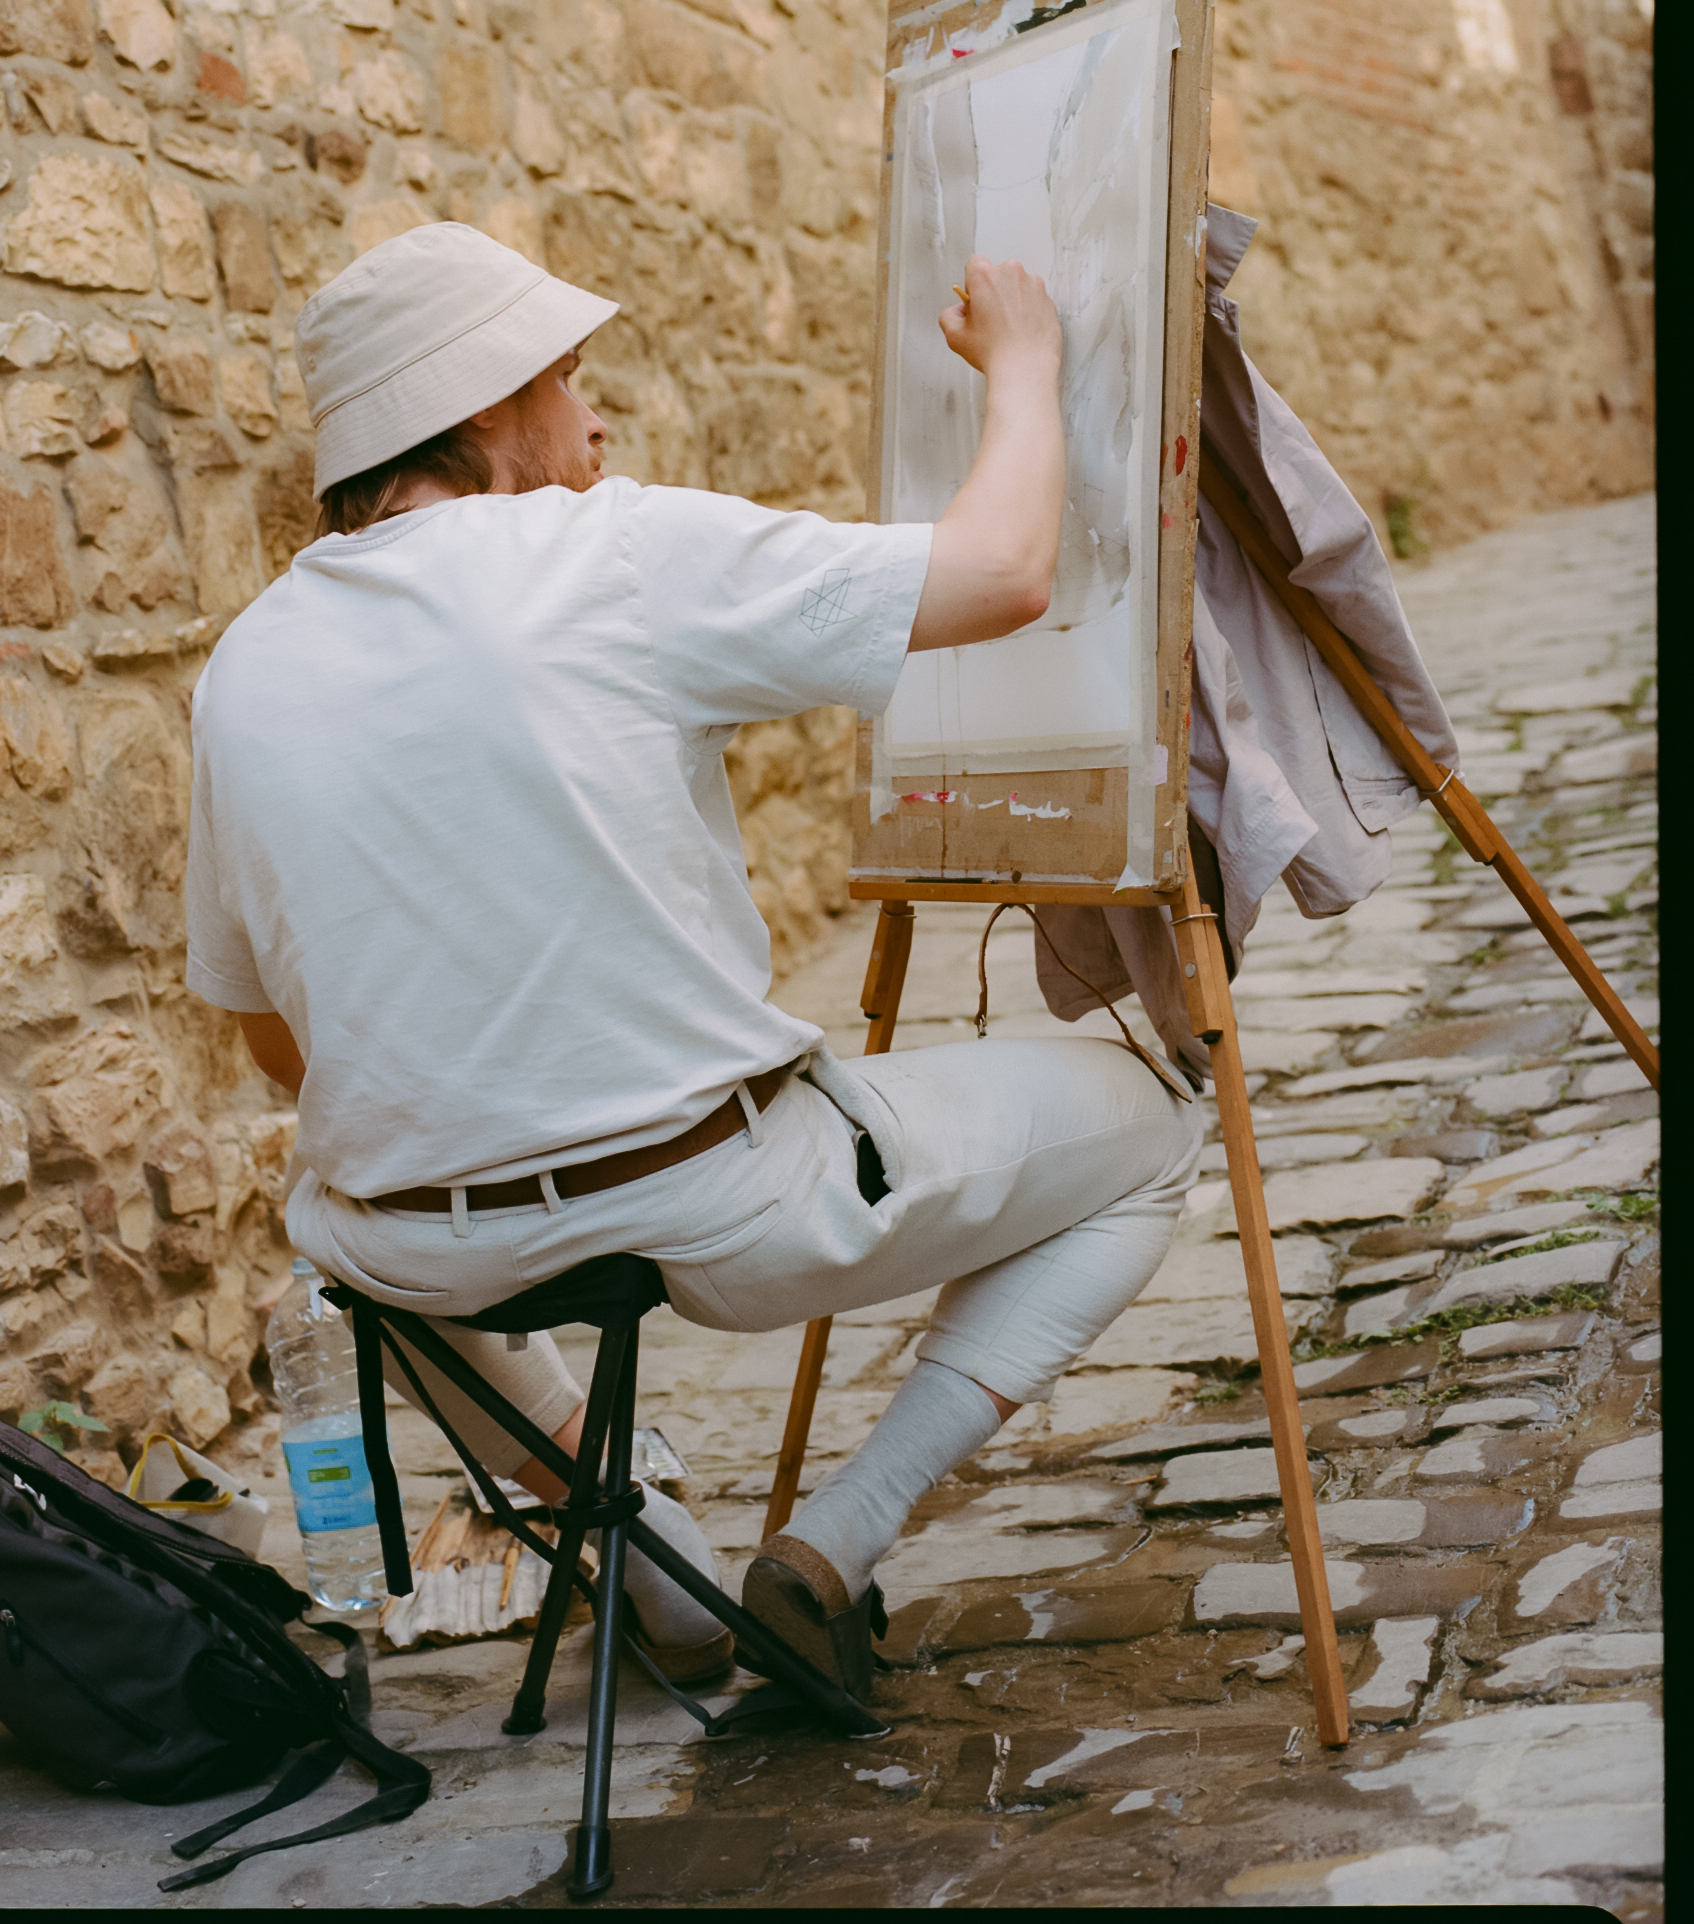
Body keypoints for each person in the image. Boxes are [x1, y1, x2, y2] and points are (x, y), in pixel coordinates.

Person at [185, 223, 1202, 1695]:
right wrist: (1028, 366)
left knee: (363, 1235)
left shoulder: (245, 663)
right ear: (481, 412)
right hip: (720, 1202)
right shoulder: (607, 550)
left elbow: (278, 1045)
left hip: (427, 1248)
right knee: (1160, 1124)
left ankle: (650, 1568)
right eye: (568, 381)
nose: (594, 419)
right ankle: (828, 1546)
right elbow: (1000, 570)